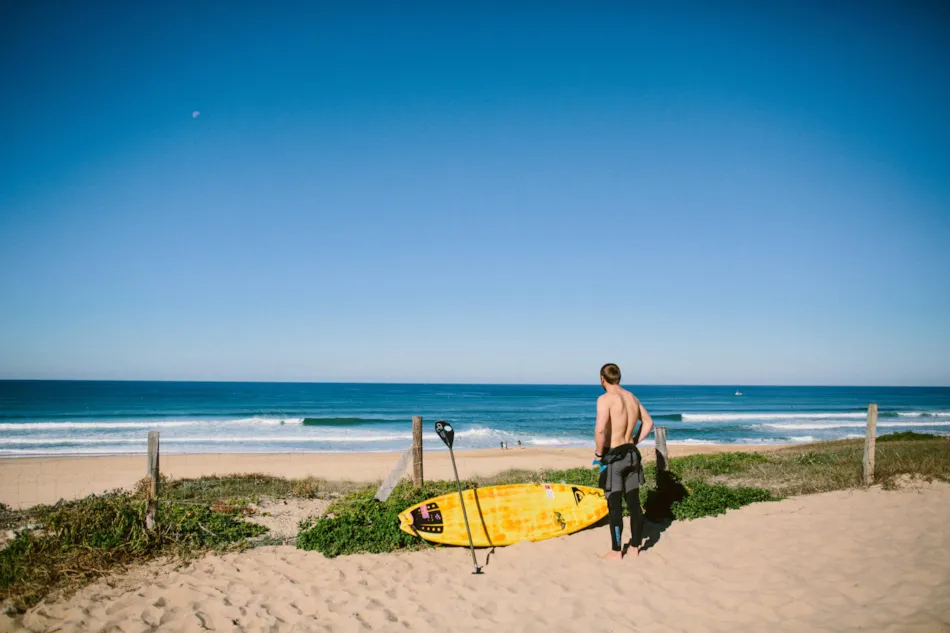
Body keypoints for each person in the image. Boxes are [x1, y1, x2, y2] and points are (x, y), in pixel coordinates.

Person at [592, 363, 654, 561]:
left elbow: (600, 429)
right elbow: (649, 422)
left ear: (602, 378)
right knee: (634, 503)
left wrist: (599, 454)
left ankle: (616, 550)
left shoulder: (605, 399)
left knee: (615, 505)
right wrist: (634, 441)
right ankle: (635, 546)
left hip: (615, 458)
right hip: (632, 455)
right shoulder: (631, 397)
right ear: (618, 378)